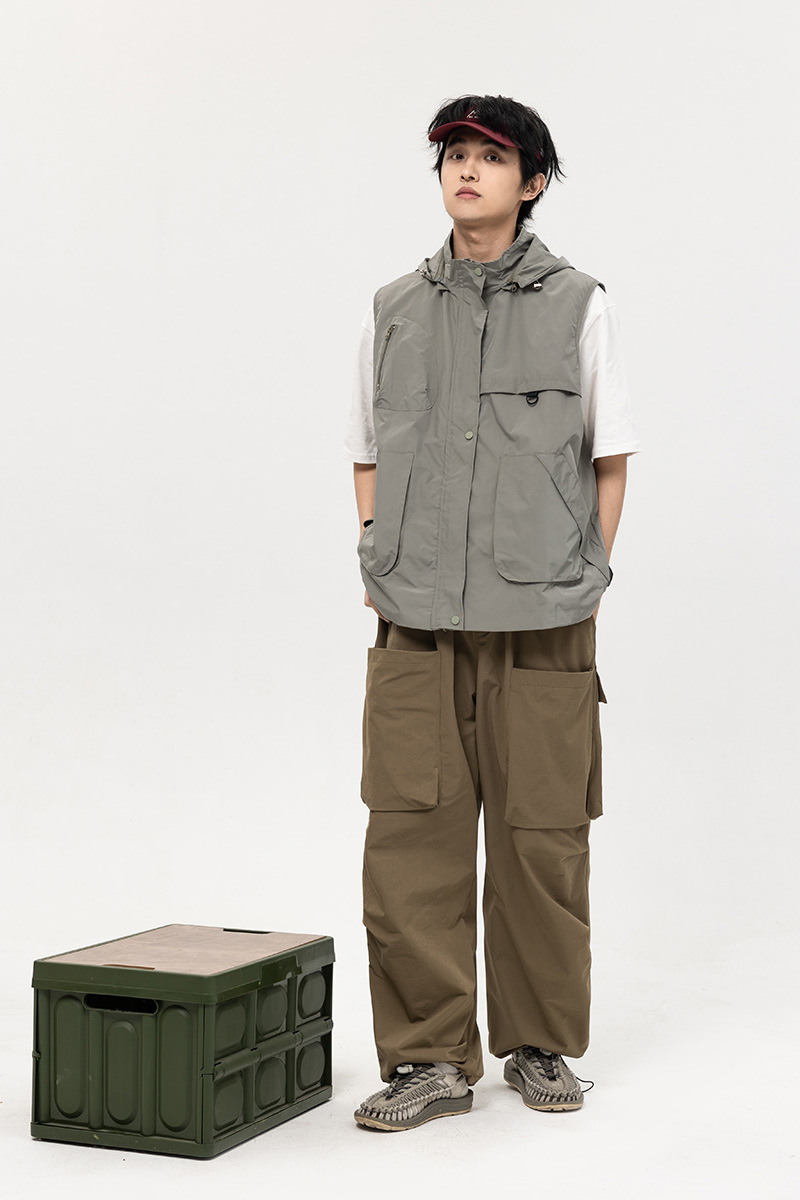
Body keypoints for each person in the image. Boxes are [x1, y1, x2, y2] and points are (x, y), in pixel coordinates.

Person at [341, 94, 642, 1131]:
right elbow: (365, 447)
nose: (465, 171)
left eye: (490, 157)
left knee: (541, 840)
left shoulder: (579, 304)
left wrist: (585, 571)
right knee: (409, 840)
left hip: (543, 621)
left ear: (533, 181)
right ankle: (428, 1061)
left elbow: (609, 456)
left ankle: (539, 1044)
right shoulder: (392, 308)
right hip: (416, 616)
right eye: (453, 156)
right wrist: (375, 547)